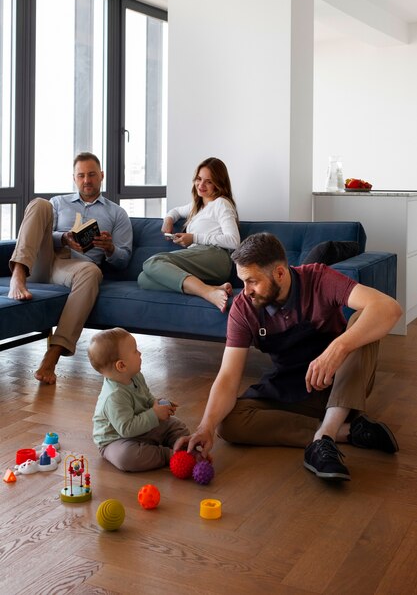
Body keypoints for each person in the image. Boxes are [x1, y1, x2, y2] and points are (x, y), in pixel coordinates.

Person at [175, 232, 403, 482]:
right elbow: (228, 376)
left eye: (252, 281)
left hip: (340, 384)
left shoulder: (319, 279)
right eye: (243, 281)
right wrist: (204, 427)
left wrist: (337, 348)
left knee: (363, 321)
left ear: (280, 274)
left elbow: (389, 308)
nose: (246, 291)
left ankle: (324, 437)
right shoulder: (243, 308)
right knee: (227, 424)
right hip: (291, 388)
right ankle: (349, 432)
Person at [8, 152, 133, 385]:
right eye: (81, 175)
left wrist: (110, 249)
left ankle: (52, 356)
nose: (87, 180)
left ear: (101, 176)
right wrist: (63, 238)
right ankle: (18, 274)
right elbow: (41, 235)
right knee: (39, 203)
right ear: (75, 178)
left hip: (76, 269)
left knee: (93, 271)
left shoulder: (117, 213)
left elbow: (123, 259)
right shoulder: (58, 203)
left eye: (92, 175)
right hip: (45, 261)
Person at [137, 157, 239, 312]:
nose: (201, 185)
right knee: (144, 279)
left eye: (208, 181)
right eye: (199, 179)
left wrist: (195, 237)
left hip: (216, 257)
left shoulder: (221, 204)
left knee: (153, 262)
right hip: (201, 259)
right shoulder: (198, 205)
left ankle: (208, 293)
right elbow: (176, 211)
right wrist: (168, 220)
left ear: (219, 183)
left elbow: (234, 241)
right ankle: (212, 288)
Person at [89, 328, 189, 472]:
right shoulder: (114, 396)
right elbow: (127, 429)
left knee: (176, 424)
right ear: (121, 365)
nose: (140, 353)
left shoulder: (136, 376)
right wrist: (154, 414)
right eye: (135, 351)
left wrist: (159, 405)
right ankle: (168, 454)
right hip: (116, 440)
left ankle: (182, 445)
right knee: (127, 457)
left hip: (142, 428)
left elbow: (146, 398)